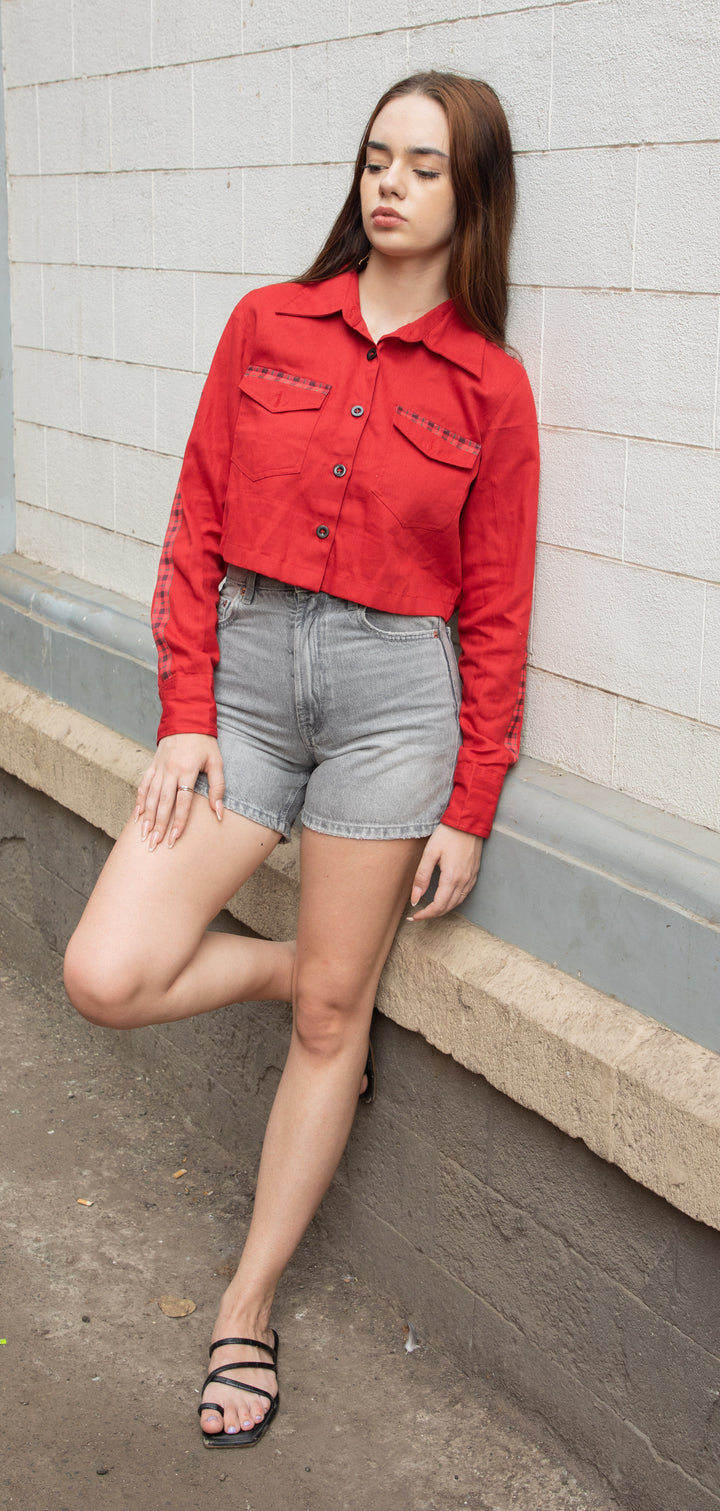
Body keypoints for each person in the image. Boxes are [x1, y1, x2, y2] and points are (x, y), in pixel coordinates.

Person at [64, 70, 539, 1449]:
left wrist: (472, 800)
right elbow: (196, 521)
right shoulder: (267, 324)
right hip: (250, 691)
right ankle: (315, 970)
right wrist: (188, 708)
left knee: (333, 1028)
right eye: (376, 158)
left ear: (470, 197)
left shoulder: (490, 389)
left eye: (426, 167)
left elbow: (496, 610)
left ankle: (246, 1306)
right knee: (106, 971)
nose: (390, 184)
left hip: (399, 705)